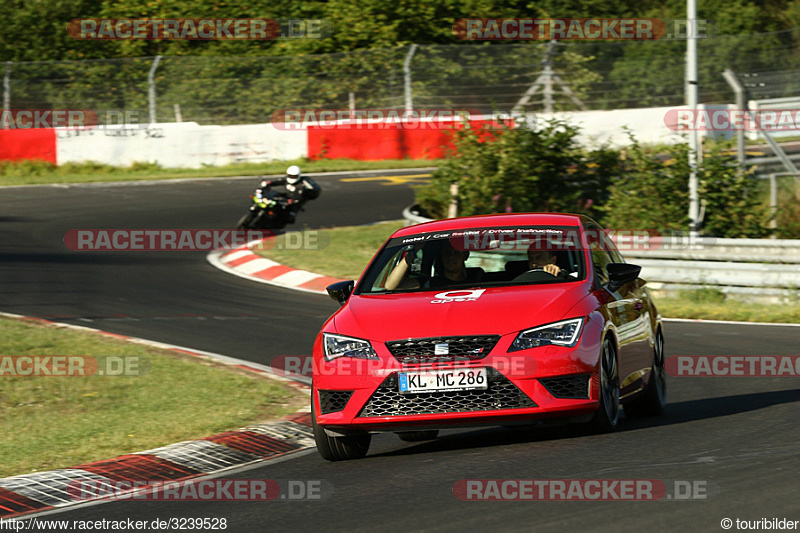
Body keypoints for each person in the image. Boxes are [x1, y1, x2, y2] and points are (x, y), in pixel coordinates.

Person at [385, 241, 480, 290]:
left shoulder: (479, 281)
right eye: (447, 253)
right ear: (441, 255)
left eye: (457, 253)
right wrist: (413, 253)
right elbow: (390, 286)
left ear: (466, 255)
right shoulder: (429, 283)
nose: (451, 257)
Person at [255, 165, 321, 224]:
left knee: (290, 217)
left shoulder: (304, 181)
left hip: (296, 200)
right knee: (273, 196)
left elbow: (316, 190)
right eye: (290, 175)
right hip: (287, 196)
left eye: (294, 176)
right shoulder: (286, 179)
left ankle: (280, 221)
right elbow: (279, 181)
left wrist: (307, 191)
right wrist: (269, 183)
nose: (292, 177)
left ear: (298, 175)